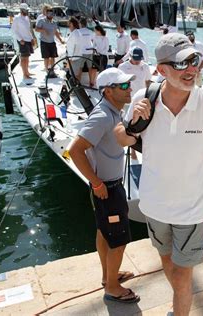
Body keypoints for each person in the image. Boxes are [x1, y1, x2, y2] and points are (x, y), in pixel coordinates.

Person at [114, 33, 203, 316]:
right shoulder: (145, 97)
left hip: (192, 211)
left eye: (196, 61)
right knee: (168, 264)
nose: (192, 69)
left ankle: (180, 307)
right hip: (154, 207)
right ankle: (180, 299)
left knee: (183, 276)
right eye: (183, 64)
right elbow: (121, 139)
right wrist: (131, 125)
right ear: (163, 70)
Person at [69, 68, 139, 304]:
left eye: (128, 84)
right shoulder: (103, 116)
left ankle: (108, 276)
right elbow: (75, 150)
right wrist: (97, 183)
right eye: (123, 86)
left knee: (104, 233)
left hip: (109, 186)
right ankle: (112, 288)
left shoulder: (114, 112)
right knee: (119, 240)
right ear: (108, 91)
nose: (129, 88)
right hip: (107, 188)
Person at [35, 5, 64, 78]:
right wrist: (43, 30)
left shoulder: (54, 22)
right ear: (46, 13)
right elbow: (36, 29)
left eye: (52, 14)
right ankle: (47, 71)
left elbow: (55, 32)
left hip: (52, 42)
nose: (50, 15)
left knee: (53, 57)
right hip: (44, 42)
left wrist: (60, 40)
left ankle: (52, 70)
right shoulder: (41, 20)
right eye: (49, 14)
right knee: (46, 57)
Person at [11, 3, 35, 80]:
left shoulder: (27, 18)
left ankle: (27, 72)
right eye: (26, 10)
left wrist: (32, 39)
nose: (27, 11)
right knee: (23, 58)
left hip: (28, 40)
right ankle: (25, 74)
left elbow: (28, 30)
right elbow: (14, 30)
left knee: (27, 58)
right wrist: (20, 39)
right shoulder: (16, 18)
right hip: (22, 40)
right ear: (22, 10)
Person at [71, 17, 94, 82]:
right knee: (90, 68)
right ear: (86, 24)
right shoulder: (90, 31)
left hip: (82, 52)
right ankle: (91, 82)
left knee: (80, 68)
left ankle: (79, 82)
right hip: (90, 51)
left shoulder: (78, 32)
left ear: (80, 24)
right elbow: (92, 40)